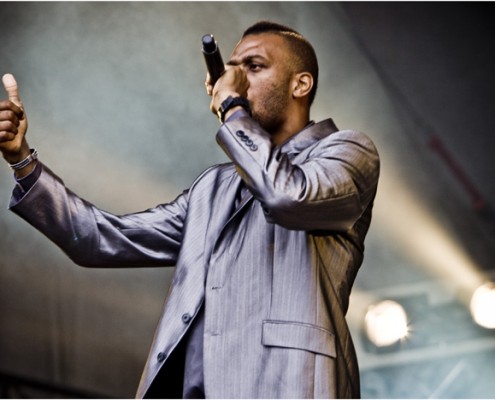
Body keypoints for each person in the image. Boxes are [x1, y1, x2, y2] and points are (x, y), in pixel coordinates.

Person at [0, 21, 379, 399]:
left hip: (287, 385)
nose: (237, 79)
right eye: (232, 69)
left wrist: (232, 106)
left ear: (301, 84)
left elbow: (288, 196)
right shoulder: (212, 189)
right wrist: (23, 162)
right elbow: (99, 239)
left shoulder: (347, 153)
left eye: (255, 66)